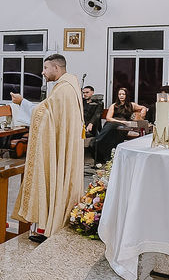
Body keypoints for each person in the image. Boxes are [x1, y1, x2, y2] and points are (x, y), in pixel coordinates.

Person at [12, 54, 85, 240]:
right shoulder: (70, 85)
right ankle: (51, 225)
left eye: (45, 68)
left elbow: (43, 113)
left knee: (52, 178)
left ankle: (50, 228)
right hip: (65, 142)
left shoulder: (63, 89)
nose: (42, 72)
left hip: (60, 145)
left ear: (56, 68)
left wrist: (22, 102)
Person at [91, 87, 144, 164]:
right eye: (119, 94)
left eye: (123, 94)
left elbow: (143, 107)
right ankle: (98, 142)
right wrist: (121, 121)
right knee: (111, 127)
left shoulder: (131, 105)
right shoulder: (114, 105)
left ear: (126, 95)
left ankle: (99, 143)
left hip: (123, 127)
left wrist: (143, 111)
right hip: (113, 122)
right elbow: (108, 118)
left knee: (116, 132)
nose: (121, 96)